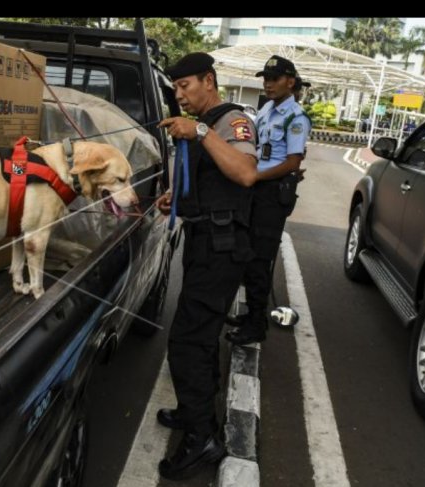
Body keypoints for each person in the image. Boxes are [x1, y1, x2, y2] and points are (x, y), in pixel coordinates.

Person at [154, 52, 258, 481]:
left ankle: (202, 440)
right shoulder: (208, 125)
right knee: (199, 336)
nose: (180, 96)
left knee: (187, 342)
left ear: (209, 81)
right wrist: (175, 200)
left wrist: (198, 132)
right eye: (175, 89)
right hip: (204, 241)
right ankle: (195, 412)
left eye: (186, 87)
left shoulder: (232, 122)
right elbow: (209, 182)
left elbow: (245, 173)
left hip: (222, 248)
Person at [226, 55, 311, 346]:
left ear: (290, 81)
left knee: (260, 259)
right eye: (265, 78)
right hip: (255, 189)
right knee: (247, 254)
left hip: (270, 195)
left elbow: (292, 162)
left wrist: (257, 177)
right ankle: (252, 315)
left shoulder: (295, 117)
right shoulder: (265, 112)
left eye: (274, 79)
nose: (268, 84)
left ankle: (257, 324)